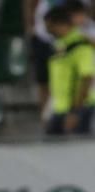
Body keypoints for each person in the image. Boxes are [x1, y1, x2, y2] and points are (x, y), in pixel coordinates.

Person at [43, 5, 95, 134]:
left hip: (79, 108)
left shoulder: (81, 46)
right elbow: (58, 79)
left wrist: (75, 112)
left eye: (50, 27)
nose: (47, 31)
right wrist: (49, 108)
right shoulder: (59, 45)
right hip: (59, 107)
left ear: (61, 24)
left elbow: (87, 78)